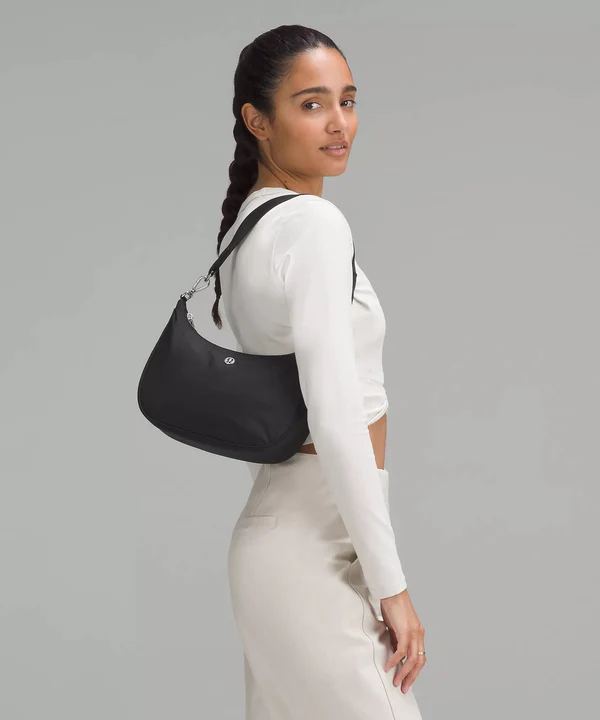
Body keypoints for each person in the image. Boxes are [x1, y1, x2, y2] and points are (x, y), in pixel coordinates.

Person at [212, 24, 426, 719]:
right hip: (314, 550)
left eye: (348, 100)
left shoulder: (250, 227)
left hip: (279, 538)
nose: (339, 123)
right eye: (312, 104)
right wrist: (392, 586)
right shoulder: (312, 226)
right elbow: (335, 418)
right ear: (257, 121)